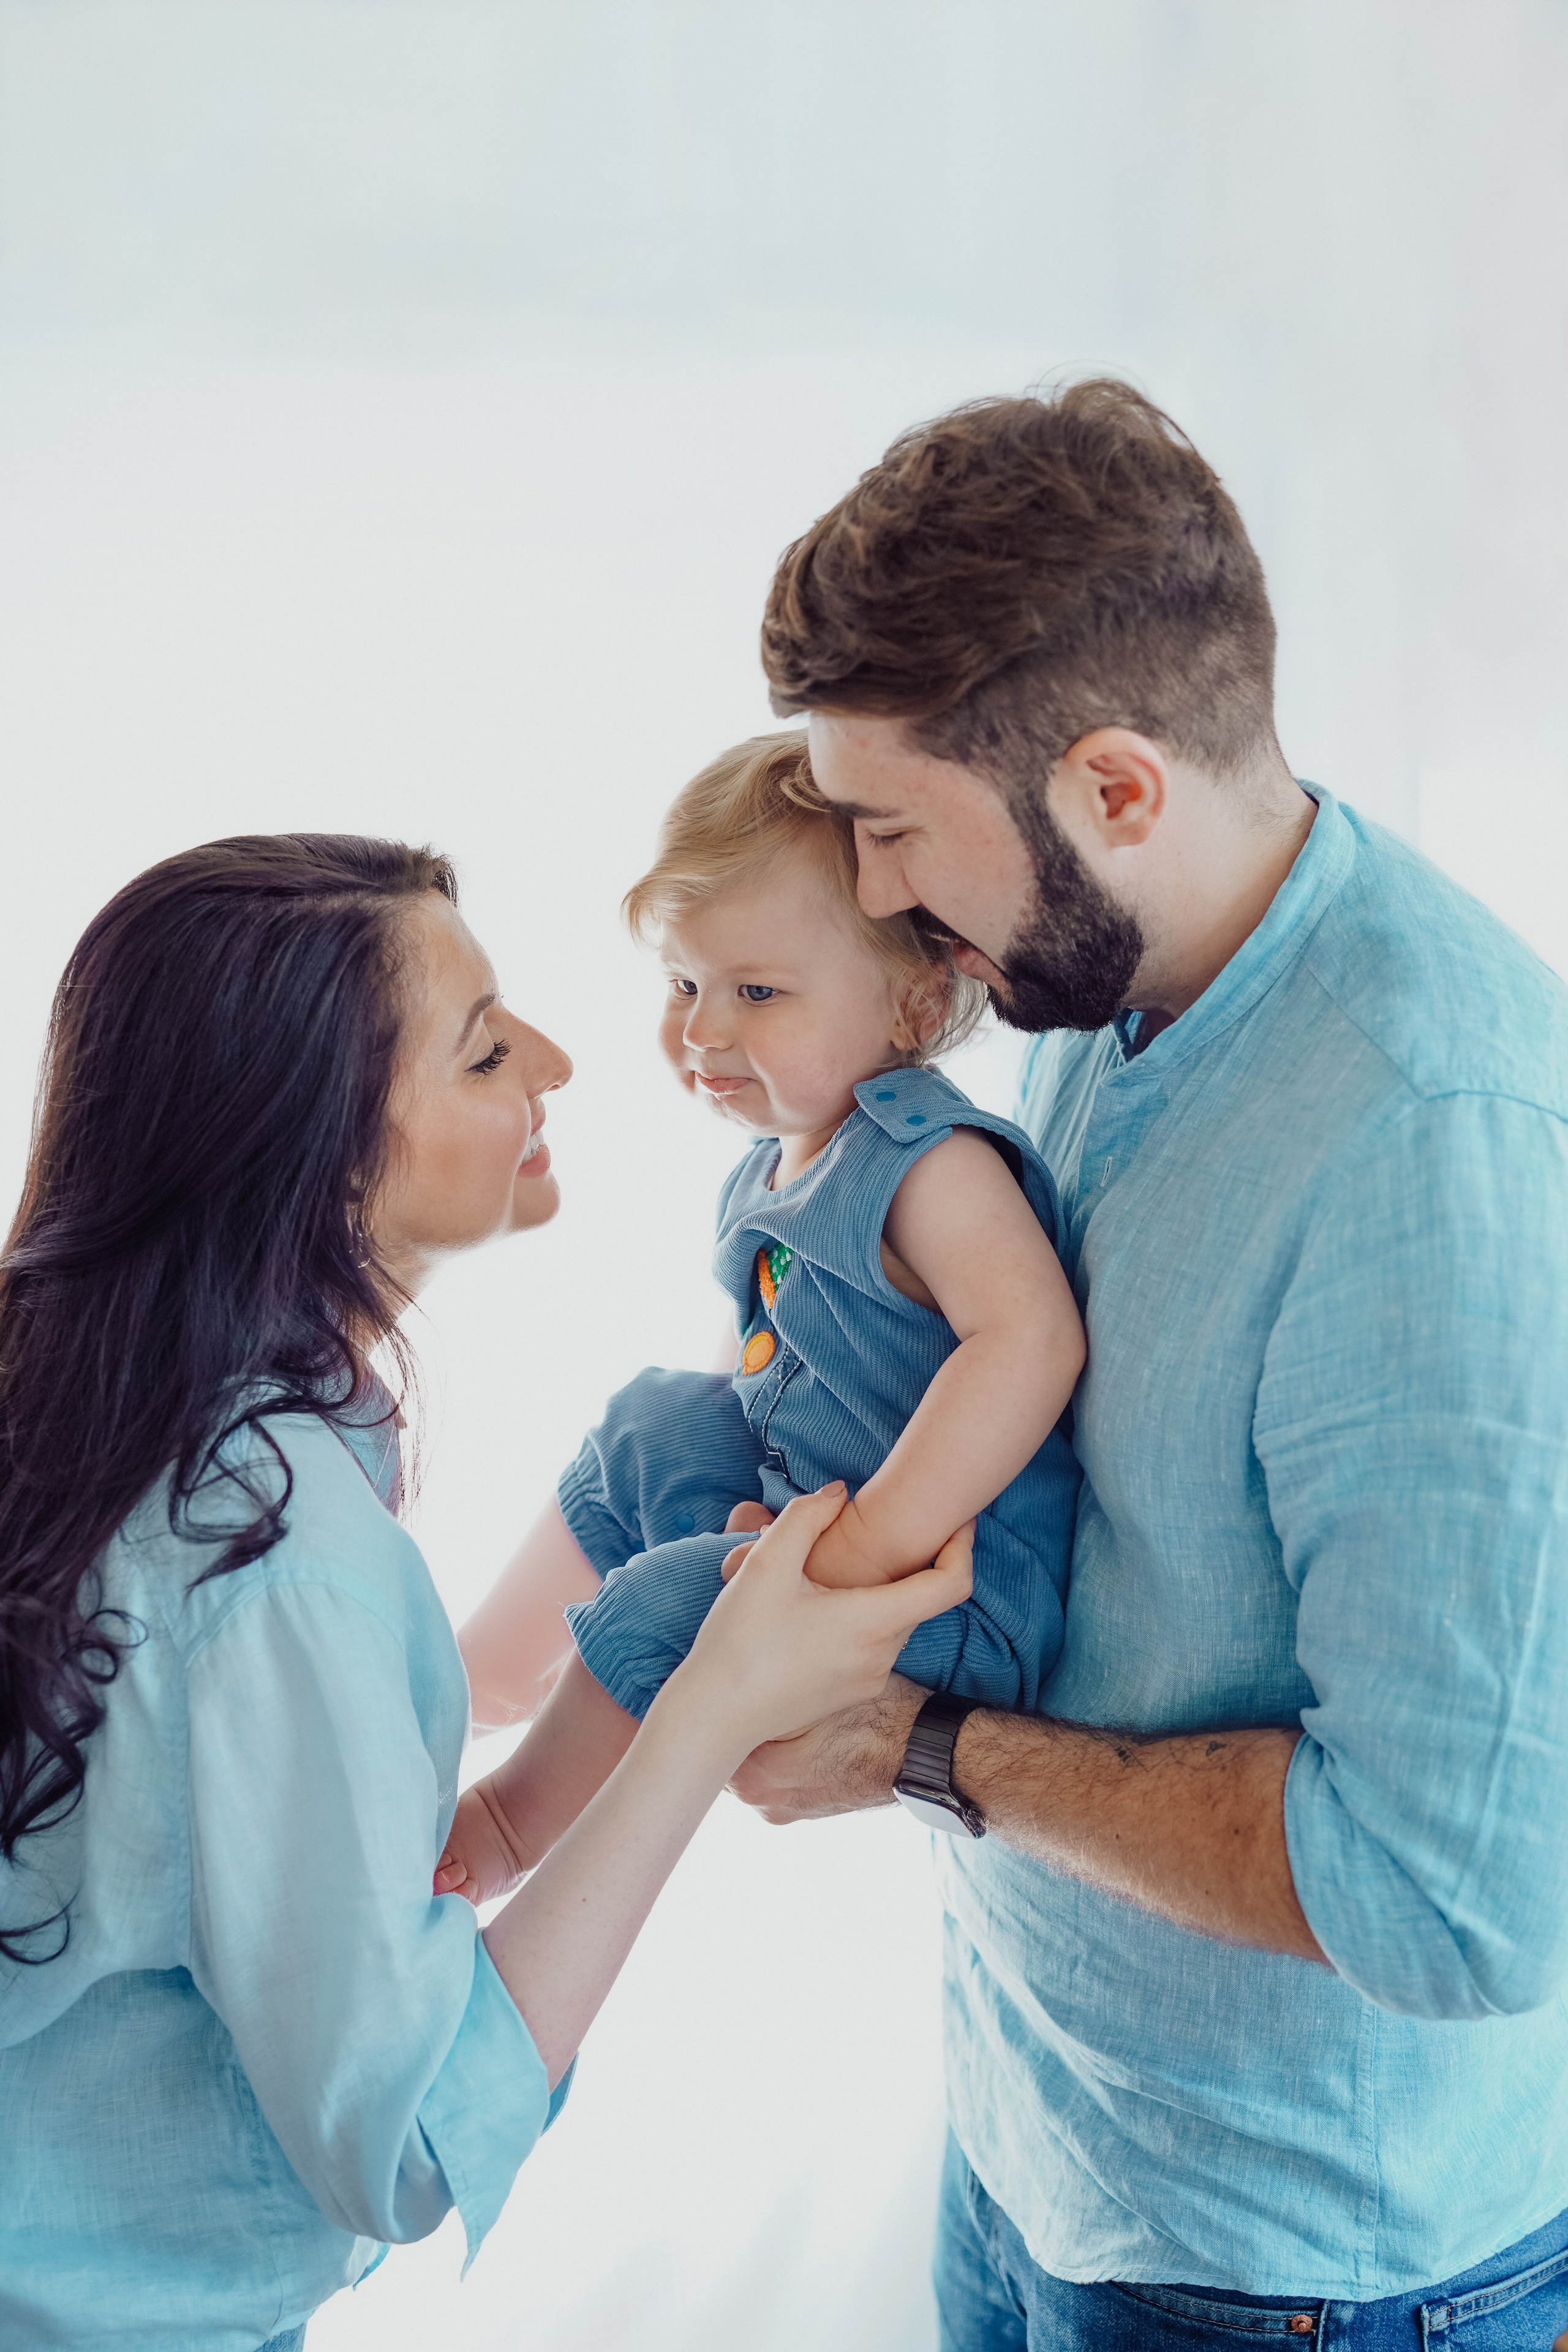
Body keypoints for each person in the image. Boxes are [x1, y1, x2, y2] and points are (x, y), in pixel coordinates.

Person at [729, 382, 1568, 2347]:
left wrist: (925, 1754)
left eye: (892, 833)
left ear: (1115, 788)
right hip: (1040, 2153)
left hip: (1299, 2279)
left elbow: (1455, 1902)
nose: (866, 897)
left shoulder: (1432, 1144)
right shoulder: (1101, 983)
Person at [0, 833, 970, 2352]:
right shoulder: (275, 1565)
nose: (563, 1062)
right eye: (483, 1051)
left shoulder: (110, 1415)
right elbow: (402, 2143)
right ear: (316, 1165)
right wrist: (710, 1702)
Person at [435, 733, 1083, 1902]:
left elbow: (1030, 1342)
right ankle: (477, 1677)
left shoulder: (927, 1163)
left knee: (682, 1597)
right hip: (816, 1497)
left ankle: (500, 1831)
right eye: (685, 985)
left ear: (916, 997)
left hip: (952, 1595)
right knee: (653, 1421)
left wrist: (859, 1554)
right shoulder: (793, 1151)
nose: (702, 1034)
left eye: (757, 994)